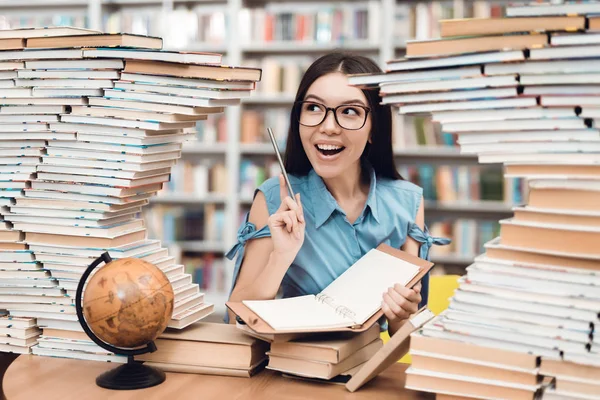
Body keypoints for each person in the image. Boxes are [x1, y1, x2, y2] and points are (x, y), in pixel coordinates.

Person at [225, 52, 449, 335]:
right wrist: (280, 257)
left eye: (350, 111)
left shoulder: (407, 202)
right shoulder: (274, 197)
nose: (328, 127)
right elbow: (235, 323)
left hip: (366, 369)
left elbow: (407, 336)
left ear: (373, 129)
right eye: (314, 108)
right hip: (292, 367)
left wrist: (400, 317)